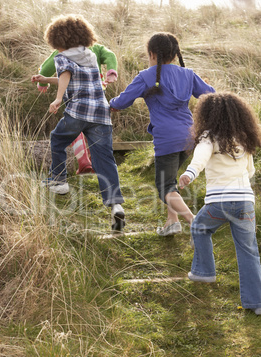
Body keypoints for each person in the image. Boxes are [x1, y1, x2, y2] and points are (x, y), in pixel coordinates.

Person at [109, 32, 215, 236]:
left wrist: (111, 105)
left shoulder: (146, 76)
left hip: (167, 139)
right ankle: (171, 221)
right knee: (171, 180)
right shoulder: (188, 74)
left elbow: (122, 101)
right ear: (175, 55)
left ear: (152, 54)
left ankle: (195, 223)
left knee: (165, 187)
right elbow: (211, 94)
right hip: (189, 137)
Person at [32, 14, 125, 231]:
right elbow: (74, 76)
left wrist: (57, 99)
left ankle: (59, 180)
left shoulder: (62, 56)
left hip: (78, 112)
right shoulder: (90, 55)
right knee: (104, 159)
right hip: (100, 115)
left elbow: (65, 74)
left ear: (57, 39)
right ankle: (116, 206)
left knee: (57, 139)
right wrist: (46, 80)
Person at [179, 92, 261, 316]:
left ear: (208, 114)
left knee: (199, 227)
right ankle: (256, 303)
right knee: (249, 250)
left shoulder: (208, 136)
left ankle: (204, 271)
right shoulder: (243, 137)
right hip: (245, 201)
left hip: (220, 203)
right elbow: (250, 171)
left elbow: (200, 158)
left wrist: (189, 174)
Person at [35, 43, 118, 175]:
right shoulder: (96, 48)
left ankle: (83, 160)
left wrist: (43, 82)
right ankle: (95, 164)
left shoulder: (63, 51)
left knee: (73, 128)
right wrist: (111, 71)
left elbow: (47, 66)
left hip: (76, 99)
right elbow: (110, 55)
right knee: (93, 130)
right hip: (97, 96)